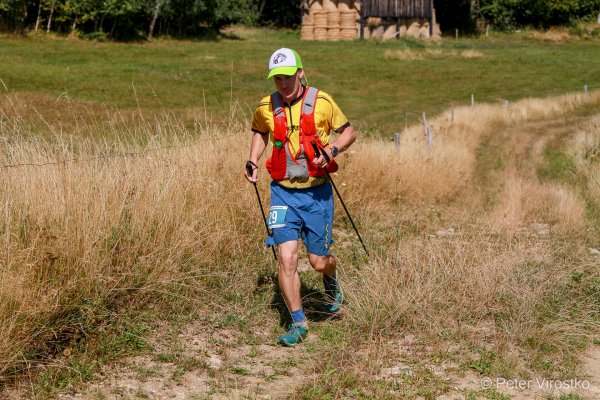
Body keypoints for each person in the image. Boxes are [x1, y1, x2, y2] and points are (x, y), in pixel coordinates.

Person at [244, 48, 357, 347]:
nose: (282, 83)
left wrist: (331, 150)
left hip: (317, 193)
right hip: (282, 193)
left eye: (287, 76)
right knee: (286, 257)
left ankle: (330, 280)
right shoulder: (266, 106)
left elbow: (349, 132)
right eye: (277, 77)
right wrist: (253, 160)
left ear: (300, 72)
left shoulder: (322, 102)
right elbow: (260, 132)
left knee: (319, 262)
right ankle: (298, 322)